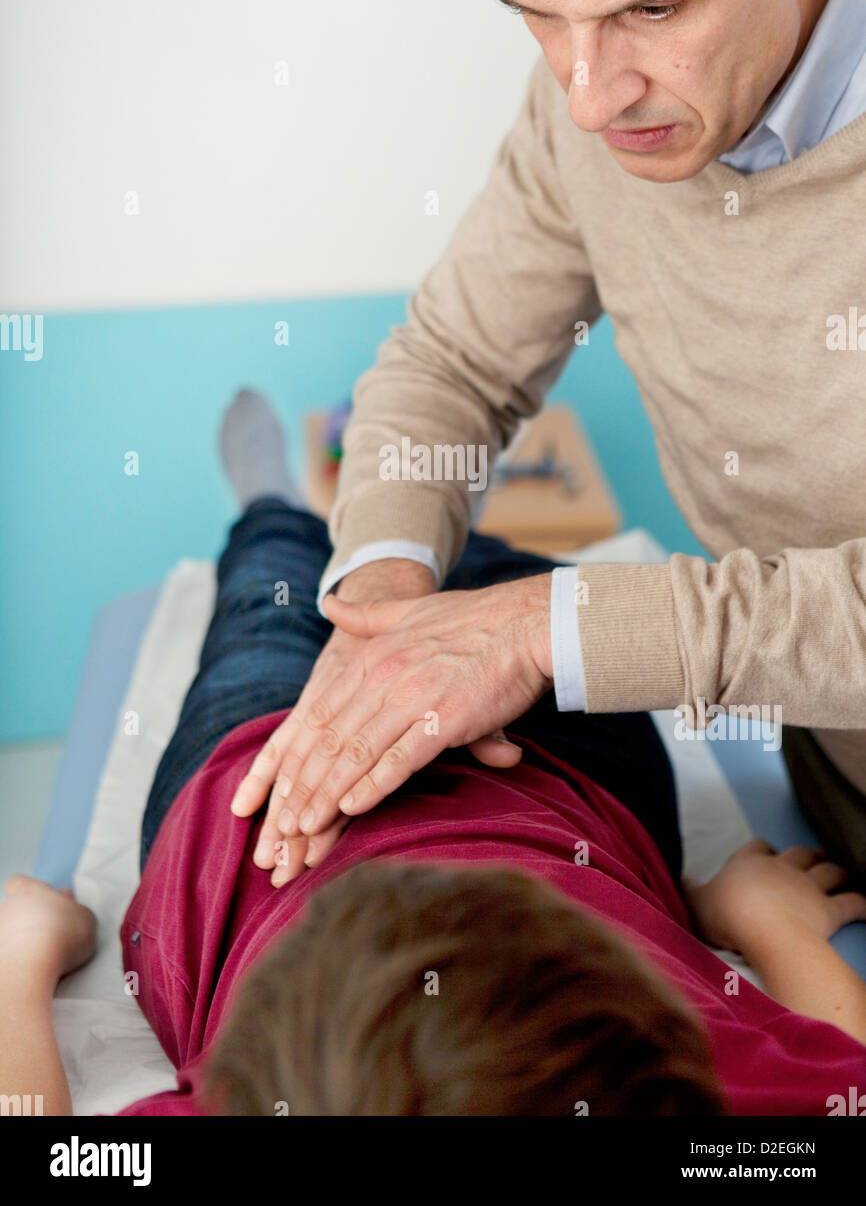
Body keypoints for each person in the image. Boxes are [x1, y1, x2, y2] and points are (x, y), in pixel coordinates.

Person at [239, 0, 866, 890]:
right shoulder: (610, 100)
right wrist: (387, 604)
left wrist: (540, 631)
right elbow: (450, 364)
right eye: (535, 12)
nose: (585, 96)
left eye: (653, 8)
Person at [1, 394, 864, 1117]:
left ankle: (275, 504)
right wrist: (770, 924)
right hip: (559, 786)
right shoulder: (678, 1097)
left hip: (255, 791)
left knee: (272, 594)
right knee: (506, 589)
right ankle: (449, 530)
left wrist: (18, 960)